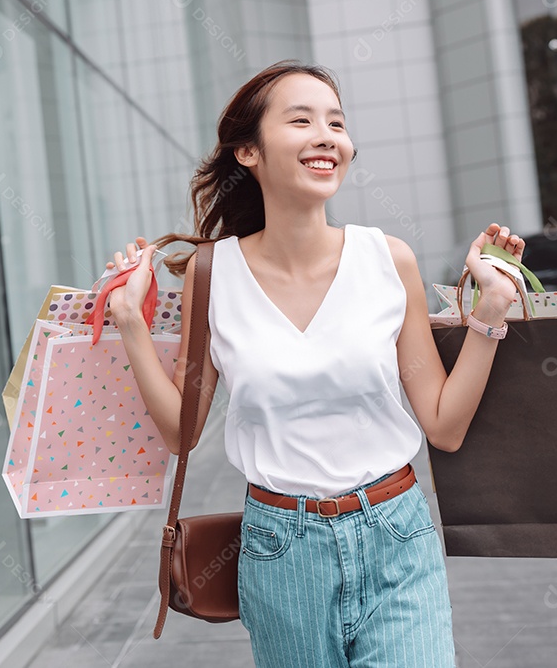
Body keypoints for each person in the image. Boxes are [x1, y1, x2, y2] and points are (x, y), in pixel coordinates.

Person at [104, 60, 525, 667]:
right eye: (300, 120)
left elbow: (443, 425)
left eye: (336, 122)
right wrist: (131, 326)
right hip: (280, 552)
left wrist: (491, 307)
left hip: (396, 536)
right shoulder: (213, 274)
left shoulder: (388, 259)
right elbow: (183, 431)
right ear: (248, 151)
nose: (327, 135)